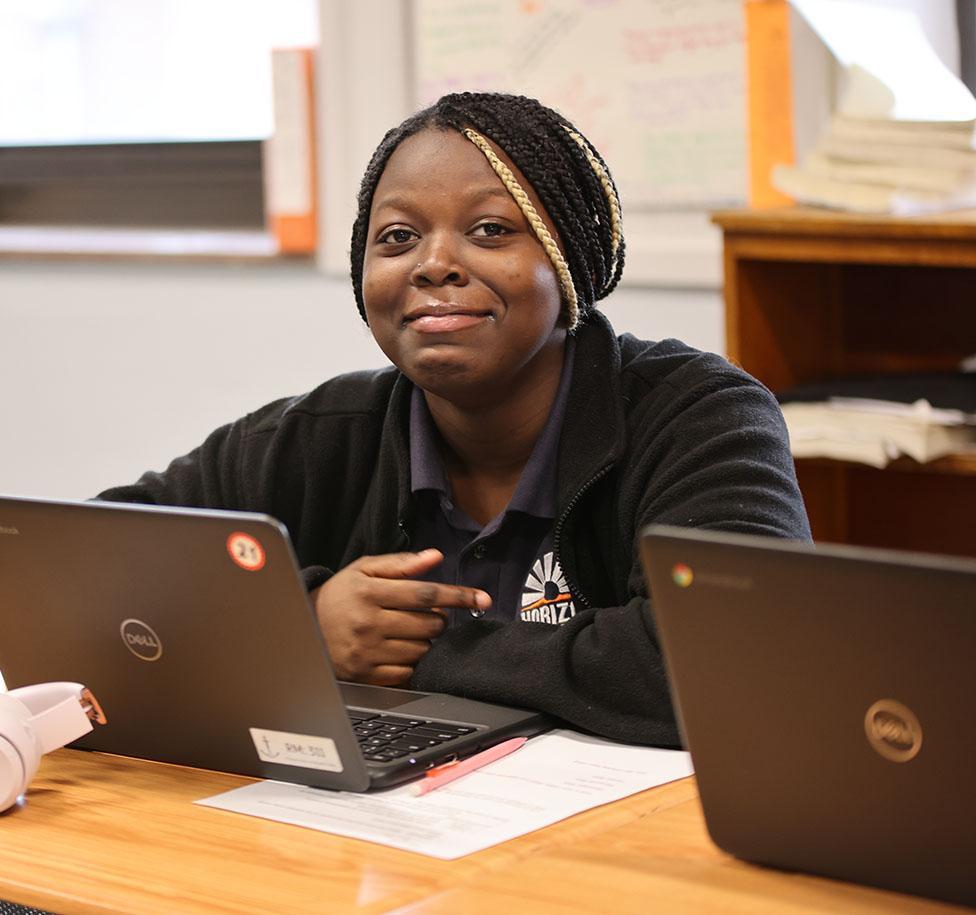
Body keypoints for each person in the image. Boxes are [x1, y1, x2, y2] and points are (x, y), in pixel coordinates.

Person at [98, 92, 810, 747]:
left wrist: (423, 647)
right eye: (399, 237)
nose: (434, 264)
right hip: (379, 845)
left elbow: (739, 661)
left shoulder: (698, 417)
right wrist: (303, 623)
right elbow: (93, 569)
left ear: (569, 267)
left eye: (491, 229)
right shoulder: (318, 436)